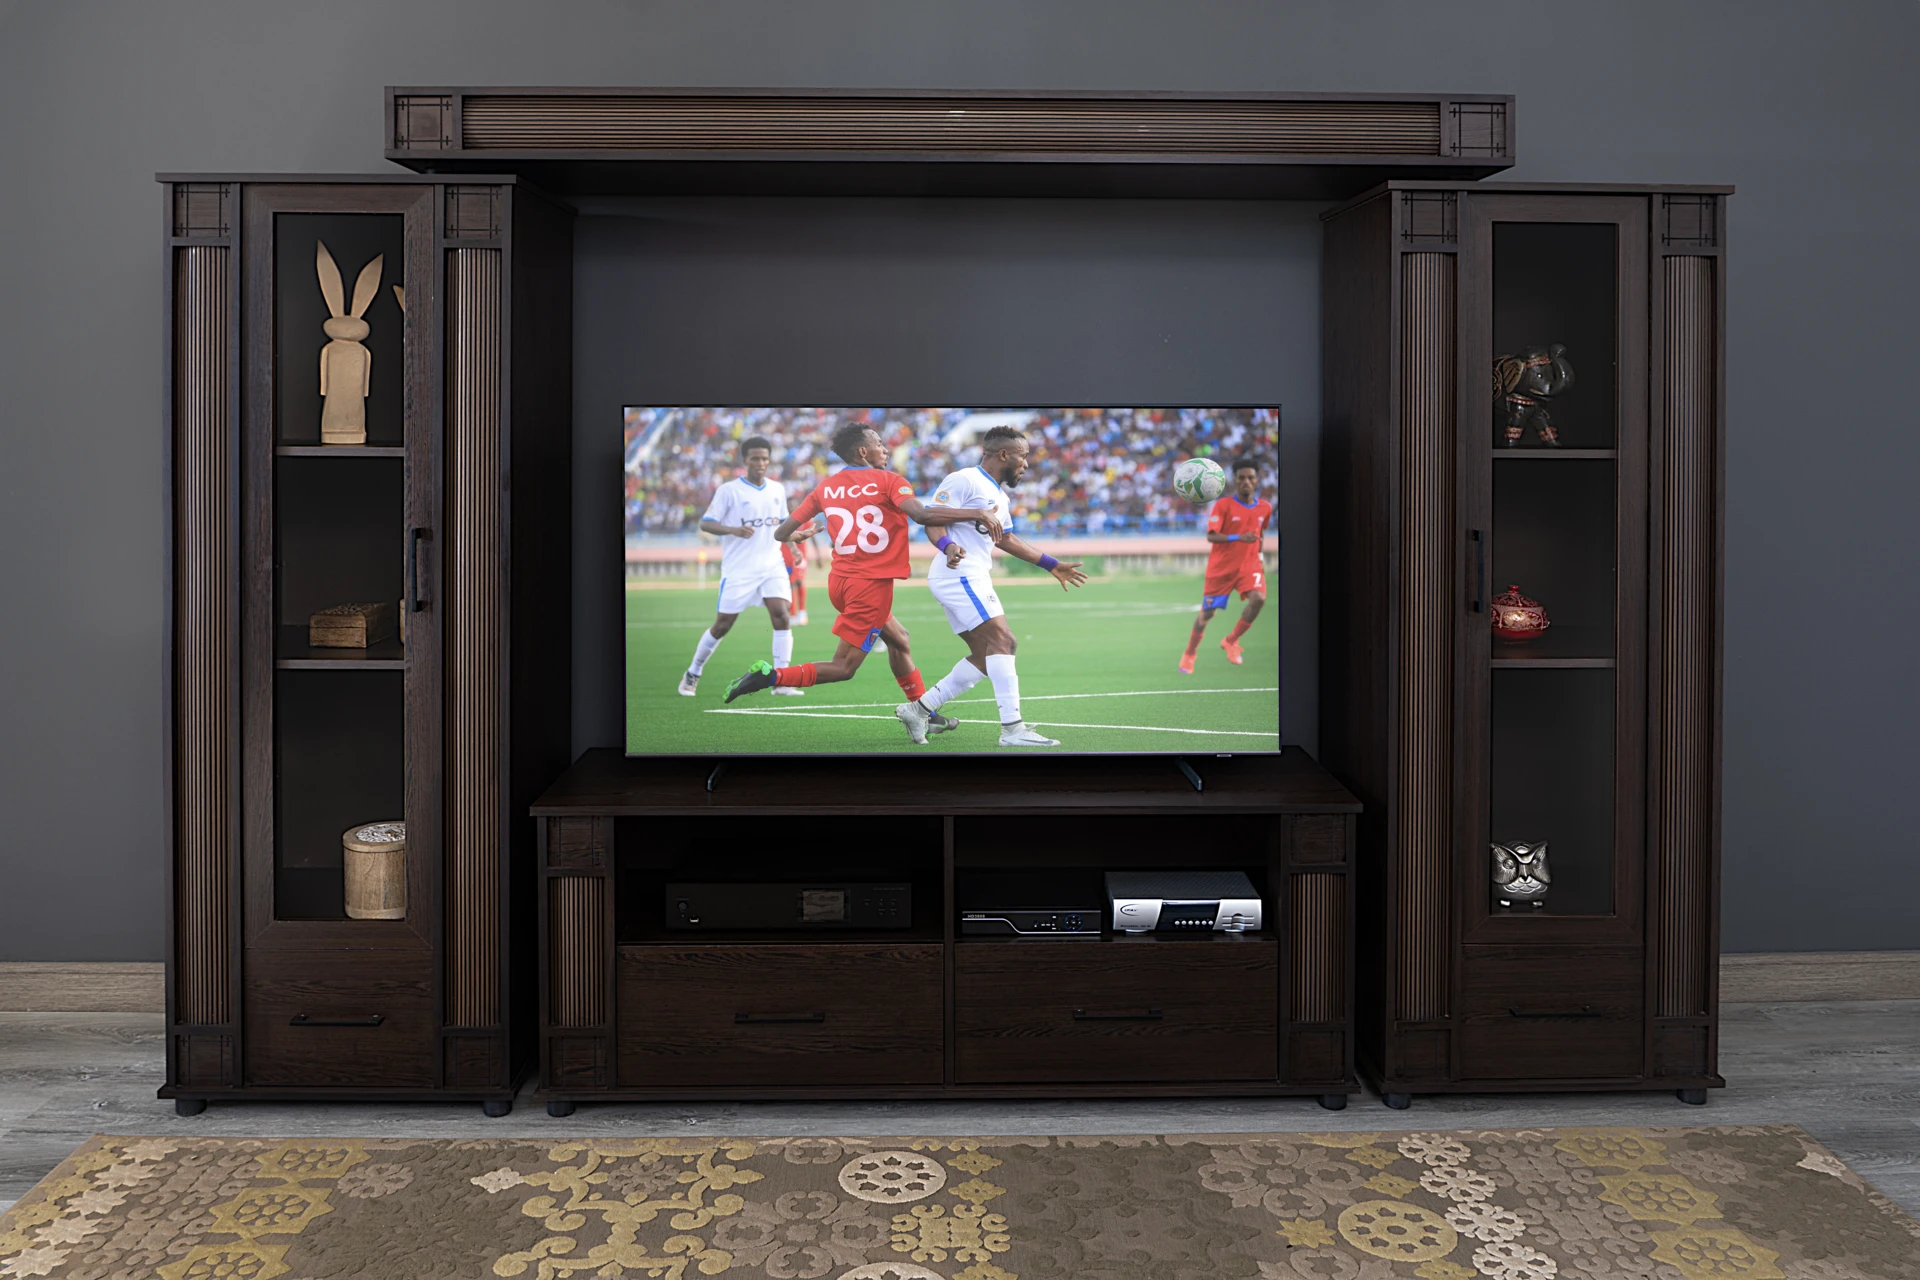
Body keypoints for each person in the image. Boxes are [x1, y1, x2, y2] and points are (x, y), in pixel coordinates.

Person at [723, 424, 1001, 712]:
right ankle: (770, 677)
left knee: (899, 640)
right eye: (879, 443)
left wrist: (798, 536)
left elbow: (781, 533)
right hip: (870, 586)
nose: (885, 449)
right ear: (863, 451)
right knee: (844, 667)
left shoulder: (825, 487)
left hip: (840, 583)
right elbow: (921, 515)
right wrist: (977, 513)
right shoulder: (890, 481)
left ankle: (923, 713)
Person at [895, 425, 1089, 748]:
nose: (1026, 464)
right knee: (1005, 641)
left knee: (986, 656)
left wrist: (1051, 564)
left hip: (969, 575)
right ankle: (1013, 729)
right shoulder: (965, 479)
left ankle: (918, 710)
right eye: (1023, 456)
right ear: (1003, 454)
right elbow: (930, 517)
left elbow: (1006, 539)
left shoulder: (1000, 496)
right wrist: (947, 545)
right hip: (959, 573)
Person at [677, 437, 802, 697]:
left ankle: (782, 680)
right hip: (739, 570)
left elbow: (783, 524)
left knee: (781, 615)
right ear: (745, 460)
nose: (760, 463)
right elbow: (706, 523)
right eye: (755, 458)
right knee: (723, 625)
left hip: (772, 565)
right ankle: (693, 672)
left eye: (764, 458)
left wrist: (793, 548)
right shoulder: (729, 491)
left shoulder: (777, 489)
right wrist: (733, 530)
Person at [1179, 457, 1272, 674]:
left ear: (1257, 480)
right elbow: (1211, 536)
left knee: (1259, 599)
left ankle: (1231, 640)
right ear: (1235, 480)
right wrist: (1238, 537)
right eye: (1242, 478)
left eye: (1251, 478)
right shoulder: (1223, 505)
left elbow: (1260, 534)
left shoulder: (1265, 508)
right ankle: (1190, 653)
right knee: (1207, 615)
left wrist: (1260, 558)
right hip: (1221, 569)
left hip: (1249, 565)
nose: (1246, 482)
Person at [781, 528, 811, 626]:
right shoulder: (782, 520)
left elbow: (811, 534)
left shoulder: (806, 521)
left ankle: (802, 612)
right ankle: (793, 614)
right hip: (785, 556)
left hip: (800, 555)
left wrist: (818, 553)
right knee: (790, 584)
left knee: (799, 582)